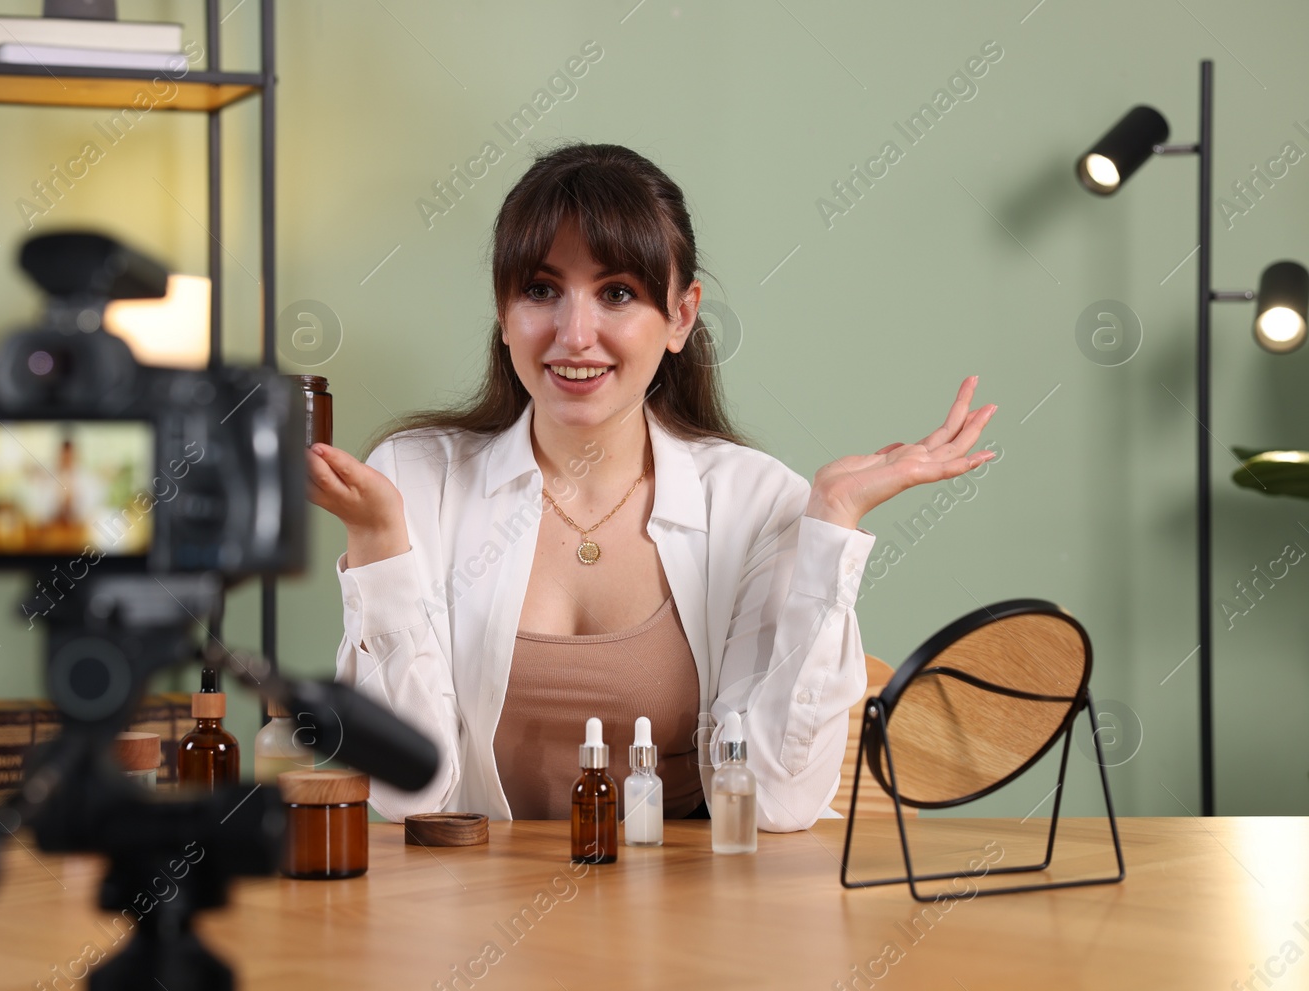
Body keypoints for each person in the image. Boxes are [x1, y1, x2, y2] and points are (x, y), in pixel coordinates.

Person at [307, 143, 995, 831]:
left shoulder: (757, 504)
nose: (575, 335)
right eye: (542, 290)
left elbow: (774, 802)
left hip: (687, 918)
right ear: (503, 309)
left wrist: (831, 530)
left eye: (618, 294)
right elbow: (410, 797)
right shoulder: (413, 481)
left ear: (681, 316)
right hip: (478, 917)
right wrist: (376, 542)